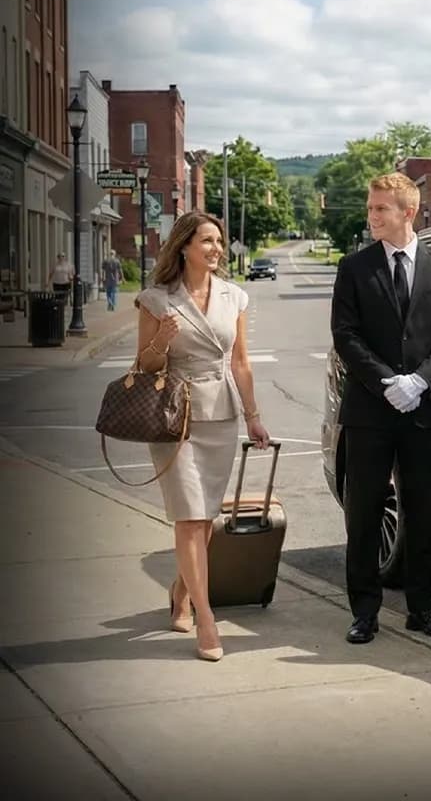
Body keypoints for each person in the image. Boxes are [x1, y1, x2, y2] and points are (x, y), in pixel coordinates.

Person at [330, 172, 431, 645]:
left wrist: (419, 381)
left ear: (408, 212)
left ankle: (422, 609)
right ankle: (364, 613)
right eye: (370, 208)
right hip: (370, 411)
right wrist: (386, 382)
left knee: (423, 513)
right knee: (364, 513)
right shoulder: (354, 268)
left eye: (380, 208)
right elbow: (345, 334)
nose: (372, 216)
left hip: (425, 411)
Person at [132, 212, 270, 662]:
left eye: (219, 241)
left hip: (220, 415)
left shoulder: (234, 296)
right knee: (189, 517)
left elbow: (241, 362)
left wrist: (253, 416)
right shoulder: (156, 299)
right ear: (184, 246)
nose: (216, 249)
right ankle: (205, 618)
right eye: (207, 240)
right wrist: (161, 341)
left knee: (206, 519)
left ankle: (181, 589)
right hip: (174, 417)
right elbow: (145, 365)